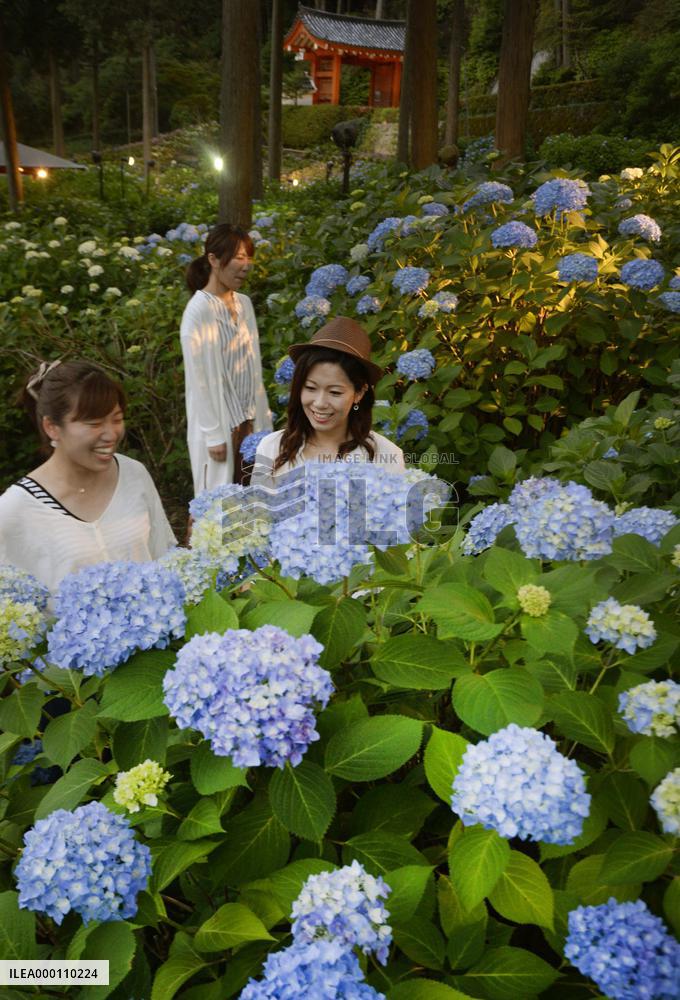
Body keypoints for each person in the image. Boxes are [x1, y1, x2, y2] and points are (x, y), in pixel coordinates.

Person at [0, 360, 176, 593]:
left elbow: (165, 557)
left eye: (116, 419)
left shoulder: (134, 473)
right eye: (94, 423)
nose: (111, 434)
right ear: (52, 427)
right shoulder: (14, 511)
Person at [252, 316, 405, 488]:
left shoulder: (385, 456)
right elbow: (256, 512)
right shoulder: (272, 448)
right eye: (310, 388)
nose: (320, 403)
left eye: (335, 392)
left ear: (359, 393)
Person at [180, 223, 271, 496]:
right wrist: (213, 434)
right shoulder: (198, 310)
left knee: (253, 495)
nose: (246, 266)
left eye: (249, 257)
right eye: (238, 257)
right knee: (217, 501)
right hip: (221, 425)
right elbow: (198, 381)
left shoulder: (244, 304)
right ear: (213, 260)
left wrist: (263, 422)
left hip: (250, 421)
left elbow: (254, 368)